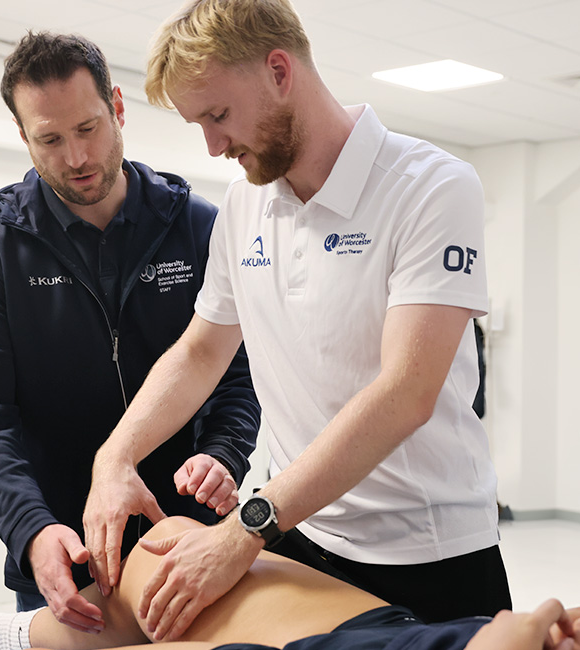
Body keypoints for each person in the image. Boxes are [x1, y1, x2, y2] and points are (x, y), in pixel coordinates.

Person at [82, 0, 511, 638]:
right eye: (200, 123)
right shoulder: (243, 206)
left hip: (425, 553)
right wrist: (113, 458)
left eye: (219, 115)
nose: (213, 144)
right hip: (298, 533)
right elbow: (201, 352)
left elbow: (406, 392)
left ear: (280, 71)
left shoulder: (431, 187)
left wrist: (247, 526)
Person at [0, 30, 261, 634]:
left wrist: (222, 456)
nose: (76, 158)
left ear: (117, 107)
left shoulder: (199, 229)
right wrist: (30, 532)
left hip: (185, 540)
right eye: (50, 139)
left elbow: (234, 372)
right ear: (23, 136)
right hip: (66, 552)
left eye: (88, 129)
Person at [0, 519, 580, 650]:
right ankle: (6, 633)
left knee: (165, 590)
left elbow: (512, 633)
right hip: (367, 623)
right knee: (165, 556)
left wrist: (543, 618)